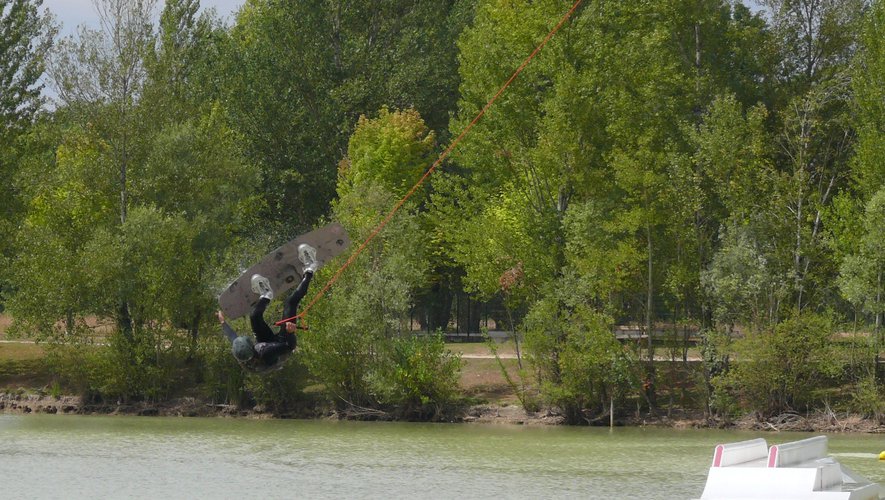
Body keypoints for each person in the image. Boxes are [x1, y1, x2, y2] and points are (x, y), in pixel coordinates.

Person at [218, 243, 319, 372]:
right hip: (282, 343)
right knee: (290, 302)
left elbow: (232, 337)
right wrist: (290, 332)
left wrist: (222, 321)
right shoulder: (266, 353)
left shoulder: (242, 353)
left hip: (265, 341)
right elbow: (290, 346)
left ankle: (266, 295)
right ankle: (310, 269)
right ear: (251, 349)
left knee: (254, 316)